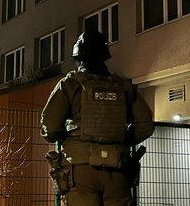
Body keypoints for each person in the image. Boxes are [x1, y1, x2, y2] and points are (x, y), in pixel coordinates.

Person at [40, 30, 154, 205]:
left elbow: (50, 127)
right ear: (104, 56)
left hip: (80, 171)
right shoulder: (122, 86)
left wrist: (67, 135)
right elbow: (145, 125)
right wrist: (122, 139)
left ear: (78, 58)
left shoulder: (69, 85)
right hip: (117, 172)